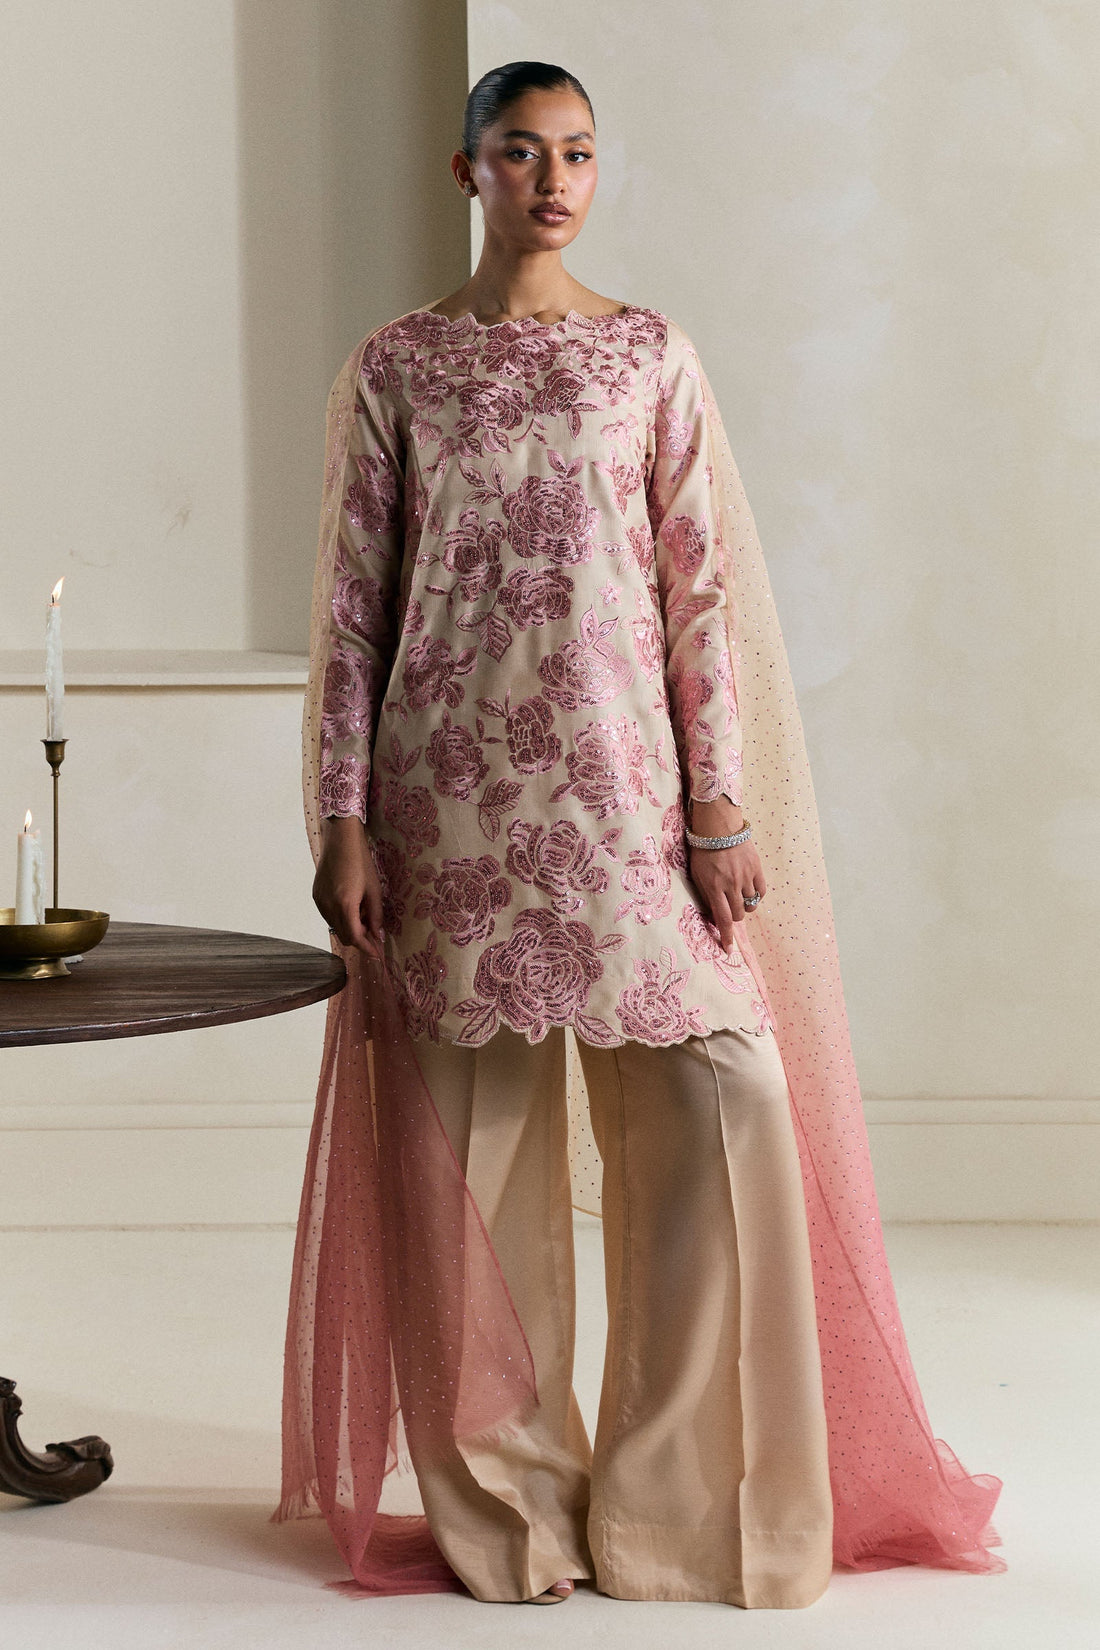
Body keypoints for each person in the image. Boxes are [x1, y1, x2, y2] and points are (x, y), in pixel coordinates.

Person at [275, 60, 1003, 1610]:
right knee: (473, 1169)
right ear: (466, 170)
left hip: (630, 810)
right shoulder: (397, 368)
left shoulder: (647, 357)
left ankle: (681, 1511)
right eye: (520, 150)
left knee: (725, 1101)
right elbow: (351, 616)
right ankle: (513, 1513)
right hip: (447, 809)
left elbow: (697, 596)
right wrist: (343, 819)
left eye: (579, 153)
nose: (554, 179)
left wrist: (718, 807)